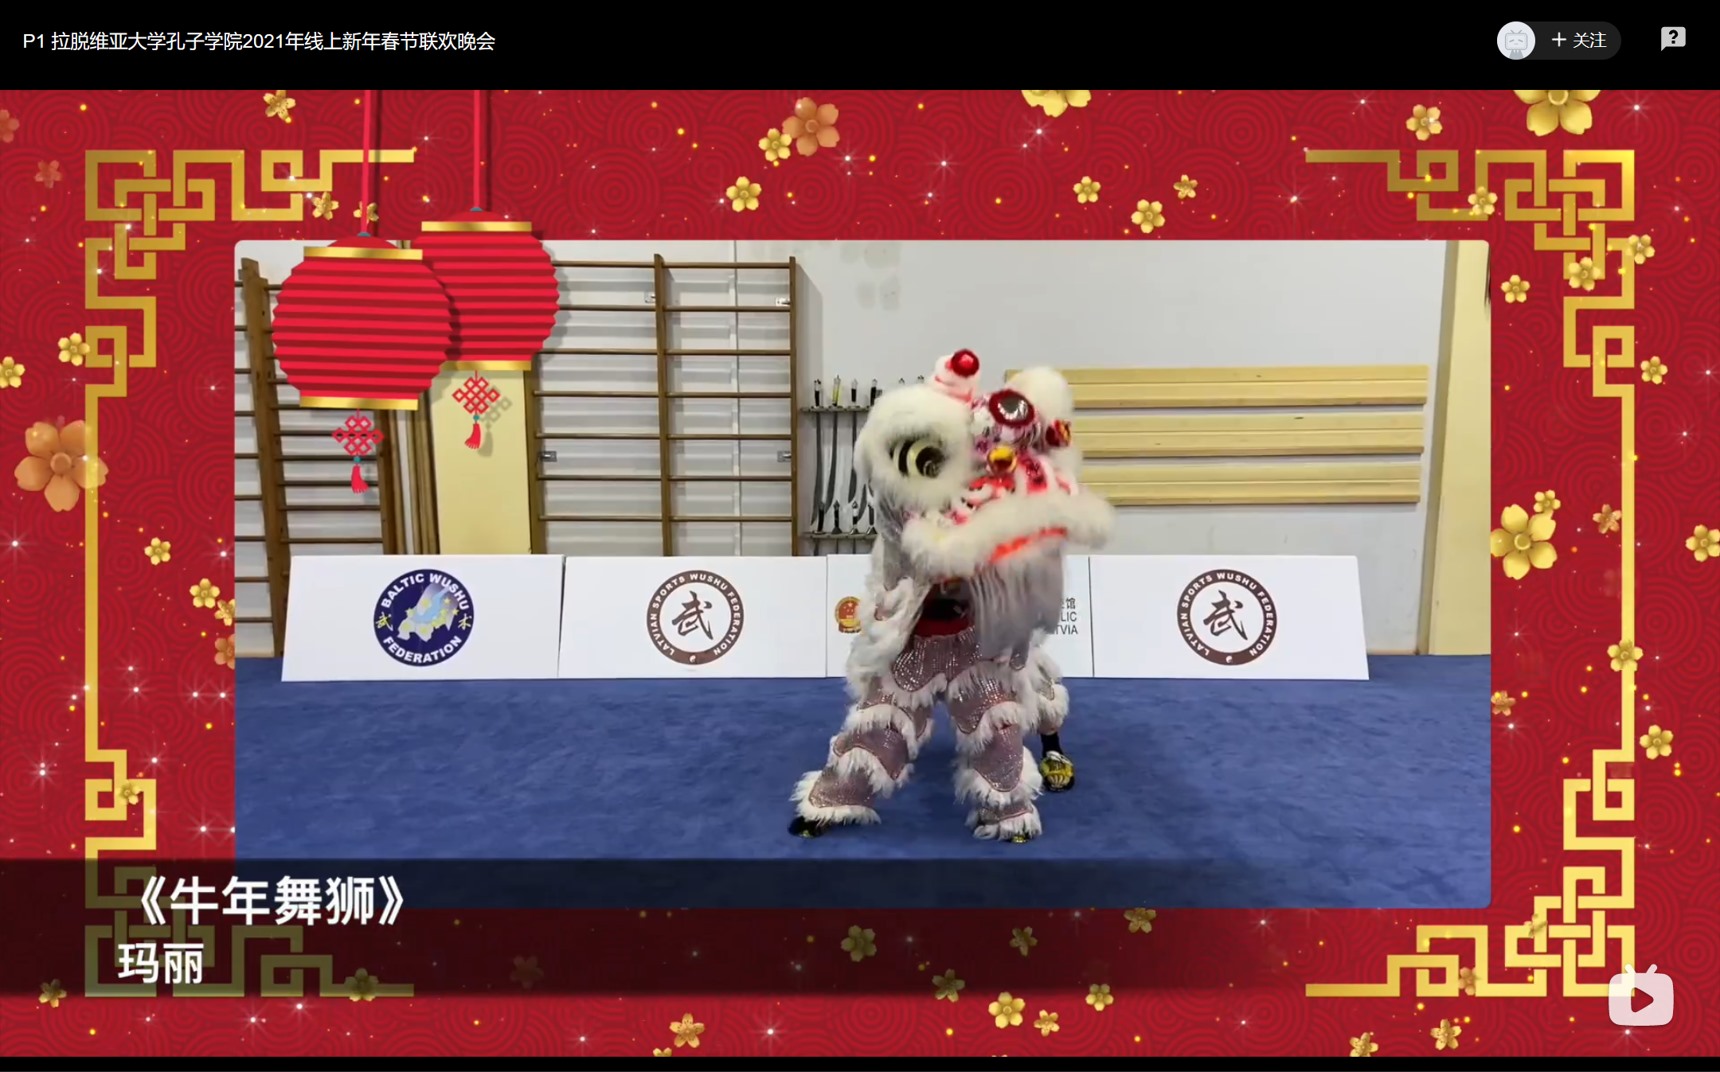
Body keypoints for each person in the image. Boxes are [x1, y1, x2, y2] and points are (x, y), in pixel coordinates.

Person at [788, 350, 1112, 842]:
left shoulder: (995, 489)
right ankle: (835, 801)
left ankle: (1027, 785)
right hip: (917, 634)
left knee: (1004, 718)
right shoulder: (902, 503)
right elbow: (906, 553)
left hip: (981, 634)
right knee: (881, 723)